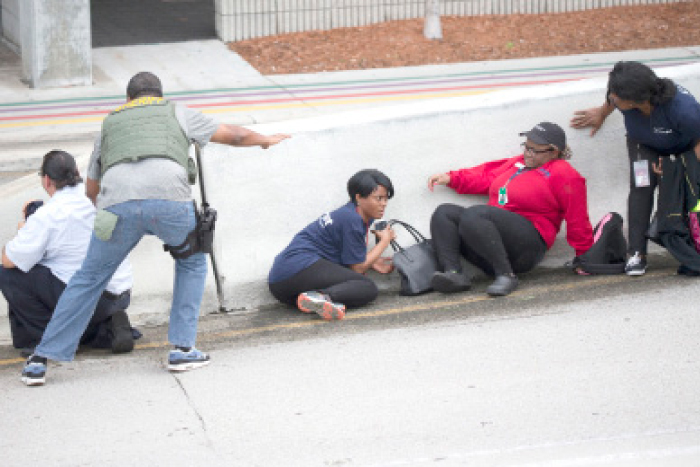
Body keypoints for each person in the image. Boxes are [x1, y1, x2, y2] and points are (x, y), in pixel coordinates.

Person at [20, 71, 290, 386]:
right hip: (170, 204)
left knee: (88, 278)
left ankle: (40, 360)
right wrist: (266, 141)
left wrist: (106, 210)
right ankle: (182, 349)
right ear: (159, 97)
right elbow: (236, 135)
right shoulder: (177, 112)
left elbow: (92, 186)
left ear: (128, 100)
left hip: (116, 206)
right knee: (191, 261)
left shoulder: (111, 122)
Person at [427, 122, 593, 297]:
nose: (527, 153)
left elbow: (577, 217)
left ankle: (506, 275)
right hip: (490, 244)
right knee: (444, 213)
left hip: (526, 246)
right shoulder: (518, 163)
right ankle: (454, 275)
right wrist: (452, 179)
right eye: (526, 147)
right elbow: (486, 176)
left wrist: (584, 256)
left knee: (476, 214)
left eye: (534, 150)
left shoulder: (563, 172)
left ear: (554, 151)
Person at [571, 61, 700, 276]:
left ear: (635, 101)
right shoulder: (623, 94)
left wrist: (677, 168)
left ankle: (685, 242)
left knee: (681, 192)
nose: (612, 97)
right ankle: (637, 253)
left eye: (616, 97)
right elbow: (612, 97)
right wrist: (602, 114)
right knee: (642, 186)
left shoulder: (683, 109)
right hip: (644, 145)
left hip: (684, 149)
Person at [1, 150, 135, 357]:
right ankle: (106, 328)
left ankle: (48, 339)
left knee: (8, 274)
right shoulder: (98, 195)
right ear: (77, 172)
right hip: (120, 293)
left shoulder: (48, 215)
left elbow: (9, 260)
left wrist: (24, 230)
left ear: (46, 181)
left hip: (88, 300)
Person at [268, 169, 396, 320]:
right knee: (367, 287)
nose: (384, 204)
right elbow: (357, 267)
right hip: (297, 268)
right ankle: (322, 297)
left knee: (359, 286)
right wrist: (385, 241)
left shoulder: (351, 214)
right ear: (359, 197)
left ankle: (316, 299)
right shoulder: (352, 219)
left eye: (386, 199)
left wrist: (372, 262)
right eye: (378, 198)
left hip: (284, 287)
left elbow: (345, 256)